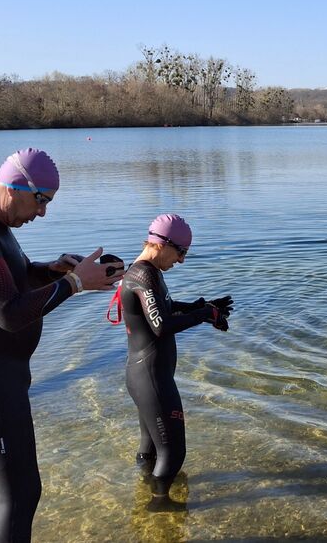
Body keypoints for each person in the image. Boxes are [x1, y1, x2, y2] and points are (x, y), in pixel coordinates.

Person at [0, 148, 117, 542]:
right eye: (41, 200)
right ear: (15, 188)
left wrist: (49, 269)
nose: (43, 212)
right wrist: (74, 283)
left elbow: (9, 278)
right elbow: (8, 313)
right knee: (22, 492)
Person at [107, 213, 232, 509]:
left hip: (143, 376)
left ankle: (146, 493)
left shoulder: (146, 272)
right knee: (173, 453)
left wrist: (202, 306)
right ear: (162, 244)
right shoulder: (144, 274)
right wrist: (204, 316)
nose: (182, 260)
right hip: (152, 379)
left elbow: (166, 307)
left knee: (149, 450)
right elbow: (161, 325)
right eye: (181, 252)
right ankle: (159, 505)